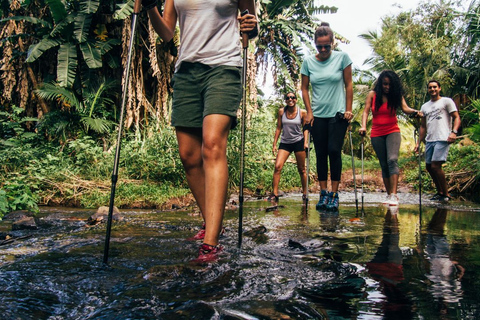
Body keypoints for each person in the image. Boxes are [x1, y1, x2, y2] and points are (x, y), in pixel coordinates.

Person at [143, 0, 258, 262]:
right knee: (189, 155)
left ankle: (211, 244)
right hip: (187, 71)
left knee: (212, 144)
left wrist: (252, 26)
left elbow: (250, 22)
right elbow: (167, 33)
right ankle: (212, 223)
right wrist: (150, 8)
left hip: (224, 67)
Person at [300, 22, 353, 211]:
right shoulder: (308, 62)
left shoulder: (342, 58)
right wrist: (309, 111)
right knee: (321, 153)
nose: (323, 49)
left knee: (333, 150)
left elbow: (348, 85)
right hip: (318, 115)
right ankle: (323, 193)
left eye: (326, 46)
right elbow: (304, 88)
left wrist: (348, 109)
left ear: (333, 43)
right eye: (319, 46)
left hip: (338, 113)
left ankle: (335, 193)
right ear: (315, 44)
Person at [359, 70, 423, 206]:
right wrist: (363, 126)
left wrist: (415, 112)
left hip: (392, 131)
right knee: (384, 164)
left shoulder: (396, 95)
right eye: (384, 84)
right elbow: (365, 111)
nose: (387, 87)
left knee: (392, 160)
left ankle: (394, 195)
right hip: (376, 133)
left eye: (389, 85)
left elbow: (405, 108)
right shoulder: (373, 94)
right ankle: (389, 195)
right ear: (380, 84)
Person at [414, 80, 461, 202]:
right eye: (430, 87)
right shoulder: (425, 106)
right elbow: (423, 126)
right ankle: (439, 192)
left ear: (439, 88)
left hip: (443, 137)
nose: (433, 89)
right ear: (428, 90)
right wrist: (419, 143)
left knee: (436, 165)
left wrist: (454, 132)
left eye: (435, 87)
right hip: (430, 139)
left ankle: (446, 194)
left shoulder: (446, 101)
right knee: (429, 167)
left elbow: (456, 117)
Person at [268, 92, 308, 204]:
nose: (290, 99)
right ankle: (275, 193)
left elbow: (305, 129)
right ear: (285, 100)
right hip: (285, 142)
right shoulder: (282, 111)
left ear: (296, 99)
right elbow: (278, 128)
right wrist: (274, 144)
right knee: (277, 167)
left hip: (298, 142)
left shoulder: (302, 112)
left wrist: (305, 143)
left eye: (292, 97)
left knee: (302, 169)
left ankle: (305, 193)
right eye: (288, 98)